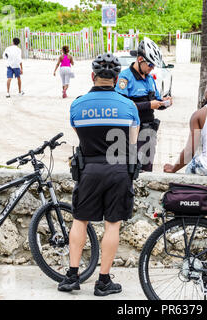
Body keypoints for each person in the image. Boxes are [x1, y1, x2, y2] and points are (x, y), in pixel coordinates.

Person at [59, 53, 140, 296]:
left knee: (80, 220)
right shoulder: (129, 106)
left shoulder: (77, 104)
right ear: (117, 78)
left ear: (92, 76)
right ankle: (103, 281)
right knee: (112, 224)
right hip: (118, 170)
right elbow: (133, 145)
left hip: (89, 170)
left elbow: (80, 135)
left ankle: (72, 277)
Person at [115, 37, 172, 172]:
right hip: (132, 132)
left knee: (147, 169)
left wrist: (164, 102)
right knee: (132, 170)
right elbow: (122, 106)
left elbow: (155, 102)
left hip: (149, 131)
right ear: (140, 59)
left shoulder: (150, 79)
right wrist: (148, 105)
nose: (152, 69)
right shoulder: (125, 77)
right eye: (150, 65)